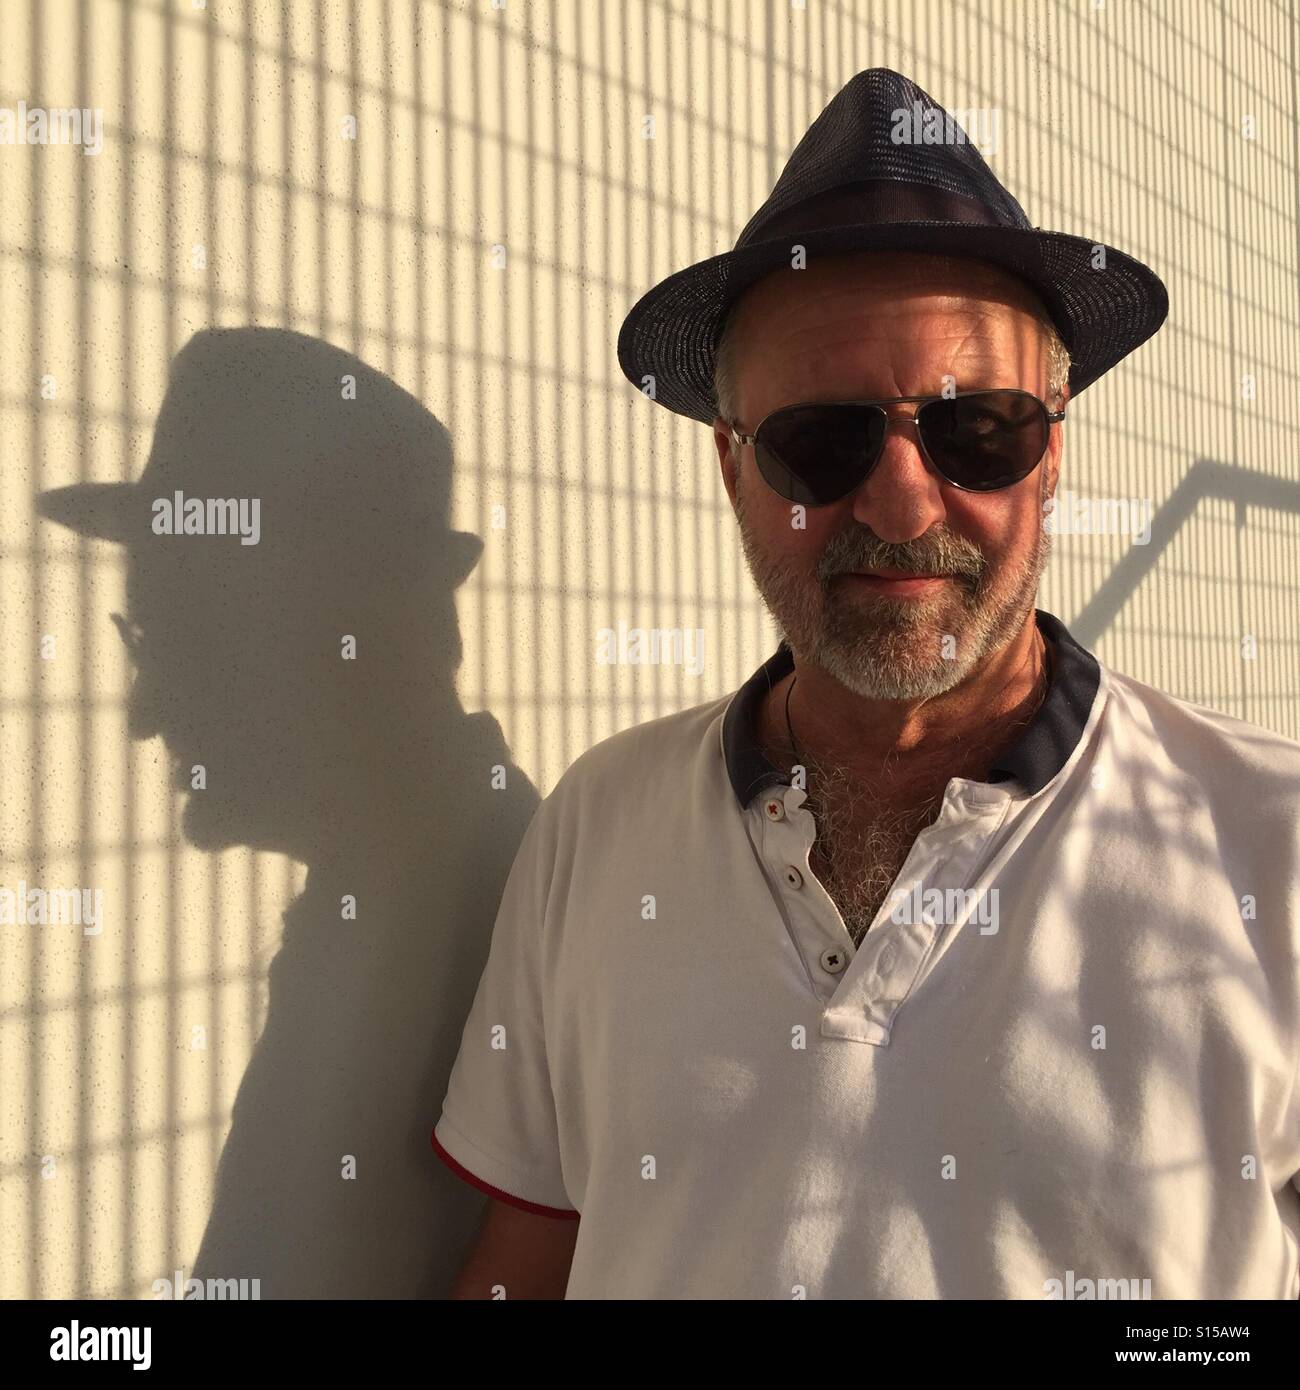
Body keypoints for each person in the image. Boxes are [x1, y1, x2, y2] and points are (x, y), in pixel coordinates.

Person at [431, 68, 1300, 1299]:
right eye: (821, 442)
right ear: (732, 468)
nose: (900, 502)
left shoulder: (1272, 839)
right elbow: (529, 1258)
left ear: (1051, 454)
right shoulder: (597, 823)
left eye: (976, 429)